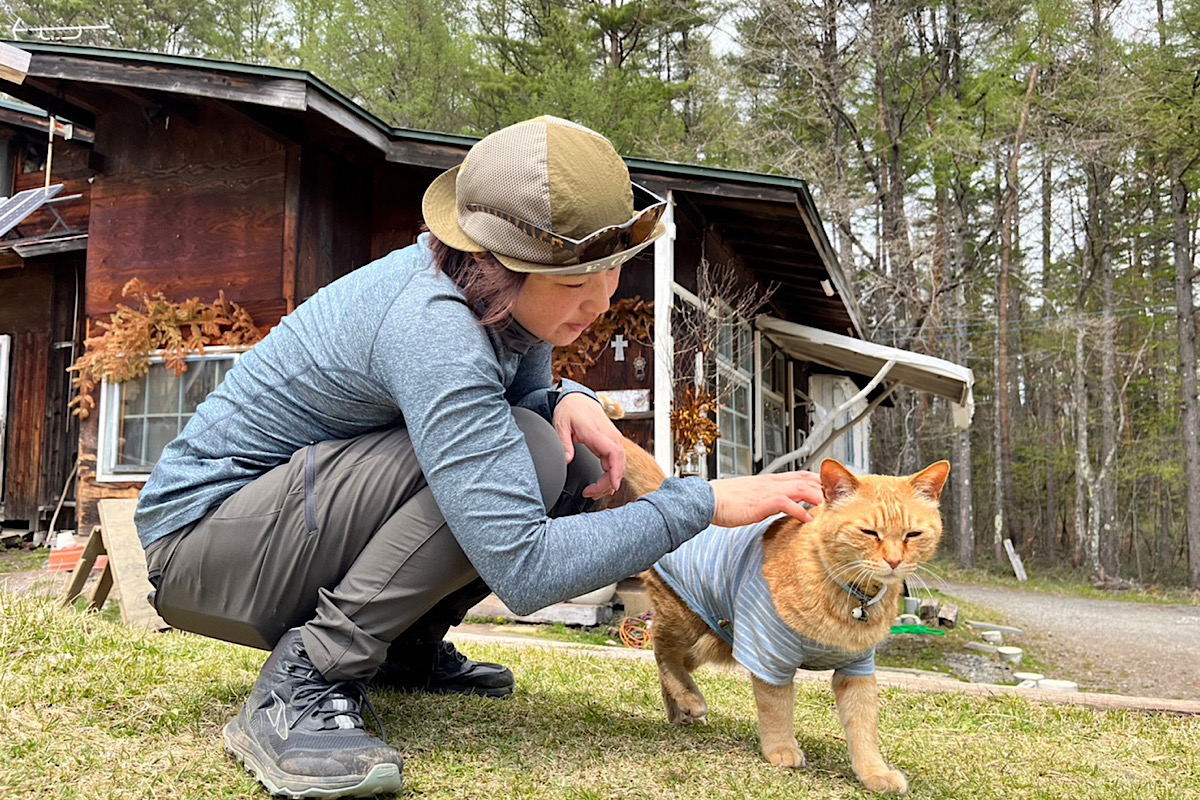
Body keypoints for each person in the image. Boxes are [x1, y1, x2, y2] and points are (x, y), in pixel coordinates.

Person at [134, 115, 824, 799]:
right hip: (202, 550)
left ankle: (403, 650)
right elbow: (522, 567)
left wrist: (563, 397)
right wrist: (702, 504)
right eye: (573, 279)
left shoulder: (499, 302)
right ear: (493, 262)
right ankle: (305, 682)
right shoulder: (436, 328)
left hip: (274, 534)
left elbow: (524, 403)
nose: (601, 298)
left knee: (561, 455)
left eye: (612, 268)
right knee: (520, 451)